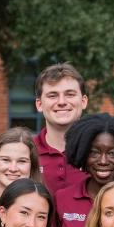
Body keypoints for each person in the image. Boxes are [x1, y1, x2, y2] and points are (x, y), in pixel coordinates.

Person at [33, 64, 89, 201]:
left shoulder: (100, 153)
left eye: (70, 94)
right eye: (53, 95)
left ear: (83, 101)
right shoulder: (26, 152)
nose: (62, 102)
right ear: (39, 104)